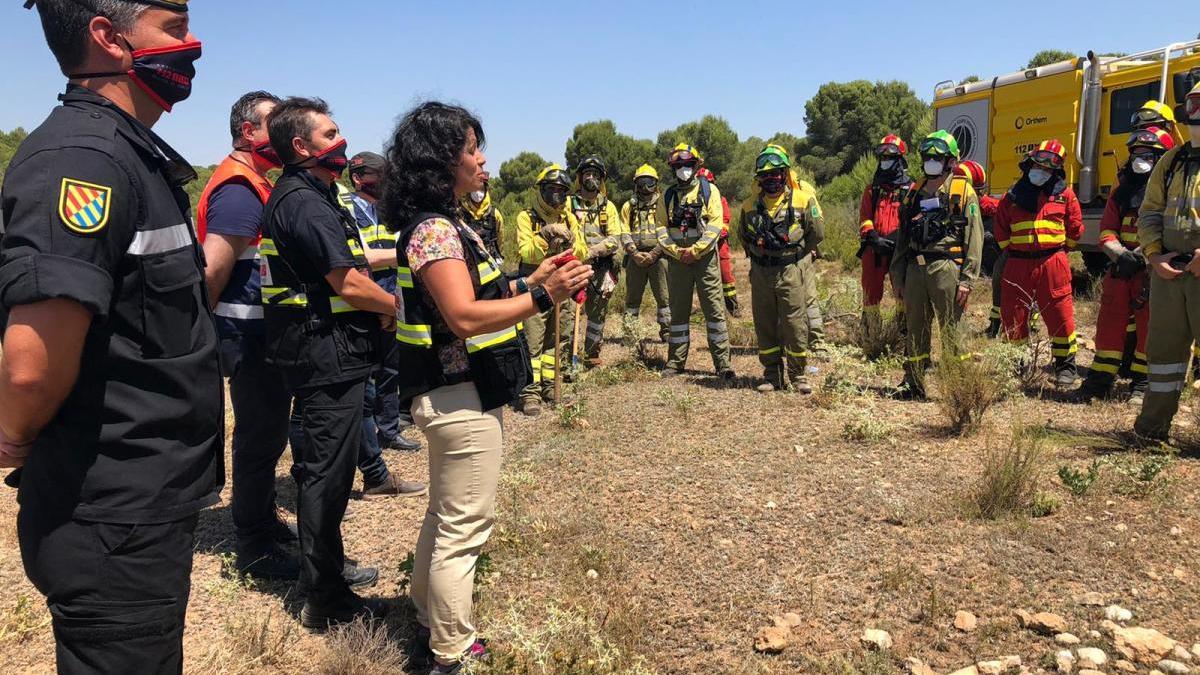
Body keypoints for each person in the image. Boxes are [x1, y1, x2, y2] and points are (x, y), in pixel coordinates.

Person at [2, 1, 220, 671]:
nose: (194, 45)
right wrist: (14, 436)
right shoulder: (84, 160)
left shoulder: (127, 154)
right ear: (109, 37)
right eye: (175, 28)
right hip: (110, 520)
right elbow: (30, 365)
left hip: (134, 512)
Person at [383, 101, 591, 674]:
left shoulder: (445, 227)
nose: (483, 160)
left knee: (444, 515)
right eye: (472, 149)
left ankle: (428, 617)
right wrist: (545, 298)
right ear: (441, 160)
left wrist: (532, 279)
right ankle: (451, 653)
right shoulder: (435, 232)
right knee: (465, 526)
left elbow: (481, 290)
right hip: (458, 396)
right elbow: (464, 316)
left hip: (457, 394)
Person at [260, 97, 418, 629]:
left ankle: (326, 572)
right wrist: (403, 308)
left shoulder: (315, 195)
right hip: (325, 355)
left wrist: (406, 251)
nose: (341, 140)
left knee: (326, 469)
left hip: (332, 352)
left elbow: (352, 257)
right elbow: (346, 281)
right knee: (327, 477)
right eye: (329, 134)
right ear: (301, 147)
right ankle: (325, 600)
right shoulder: (302, 203)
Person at [197, 90, 303, 580]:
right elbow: (211, 275)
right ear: (248, 132)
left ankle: (261, 519)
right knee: (260, 438)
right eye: (272, 124)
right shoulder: (239, 189)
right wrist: (205, 340)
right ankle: (253, 544)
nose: (281, 134)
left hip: (261, 337)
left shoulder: (257, 184)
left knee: (269, 434)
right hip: (248, 340)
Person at [1070, 128, 1173, 403]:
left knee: (1149, 329)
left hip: (1153, 271)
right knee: (1108, 326)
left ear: (1161, 158)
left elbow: (1169, 230)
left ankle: (1142, 384)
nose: (1140, 160)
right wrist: (1119, 254)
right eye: (1136, 154)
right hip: (1121, 270)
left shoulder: (1170, 191)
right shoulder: (1121, 190)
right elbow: (1107, 229)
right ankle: (1099, 381)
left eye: (1148, 155)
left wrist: (1142, 254)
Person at [889, 130, 984, 399]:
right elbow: (902, 237)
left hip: (947, 267)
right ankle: (913, 382)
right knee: (915, 327)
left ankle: (959, 386)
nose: (931, 161)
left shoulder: (962, 191)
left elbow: (974, 238)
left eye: (937, 157)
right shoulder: (913, 192)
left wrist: (967, 279)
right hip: (915, 268)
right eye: (928, 156)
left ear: (950, 161)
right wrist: (897, 275)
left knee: (952, 327)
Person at [346, 151, 424, 470]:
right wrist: (402, 253)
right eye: (381, 176)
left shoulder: (387, 211)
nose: (387, 183)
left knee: (391, 369)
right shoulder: (345, 209)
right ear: (359, 178)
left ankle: (389, 431)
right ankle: (362, 446)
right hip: (362, 302)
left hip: (393, 298)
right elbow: (360, 257)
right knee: (365, 378)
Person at [1132, 82, 1200, 441]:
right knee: (1163, 355)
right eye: (1193, 106)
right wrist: (1155, 256)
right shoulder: (1171, 161)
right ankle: (1151, 430)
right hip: (1170, 275)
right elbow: (1150, 212)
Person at [993, 139, 1084, 387]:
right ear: (1029, 163)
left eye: (1048, 167)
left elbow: (1075, 229)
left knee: (1060, 313)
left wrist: (1060, 252)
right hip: (1018, 263)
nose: (1041, 170)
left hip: (1052, 262)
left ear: (1056, 171)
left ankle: (1065, 365)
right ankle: (1017, 362)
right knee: (1013, 313)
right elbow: (1000, 230)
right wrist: (1013, 252)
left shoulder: (1065, 195)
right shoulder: (1013, 195)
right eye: (1038, 164)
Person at [739, 145, 824, 393]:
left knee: (795, 322)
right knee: (764, 322)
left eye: (776, 173)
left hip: (791, 270)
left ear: (785, 173)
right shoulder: (749, 206)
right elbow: (743, 236)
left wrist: (796, 257)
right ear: (759, 178)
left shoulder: (803, 199)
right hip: (762, 272)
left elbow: (816, 234)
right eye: (765, 175)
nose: (771, 179)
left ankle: (798, 376)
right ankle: (772, 376)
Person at [657, 143, 734, 381]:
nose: (683, 170)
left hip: (705, 260)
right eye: (678, 166)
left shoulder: (709, 190)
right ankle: (675, 362)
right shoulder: (667, 196)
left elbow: (716, 225)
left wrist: (696, 250)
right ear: (673, 168)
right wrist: (677, 251)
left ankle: (723, 364)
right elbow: (660, 228)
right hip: (677, 261)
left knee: (714, 310)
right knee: (678, 312)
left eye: (688, 165)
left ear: (696, 165)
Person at [515, 165, 587, 415]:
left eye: (561, 191)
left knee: (559, 338)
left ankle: (551, 385)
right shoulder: (527, 217)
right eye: (552, 189)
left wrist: (570, 246)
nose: (557, 195)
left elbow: (583, 250)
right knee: (533, 340)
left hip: (564, 283)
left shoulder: (569, 217)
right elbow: (526, 252)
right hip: (537, 284)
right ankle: (530, 393)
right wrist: (544, 236)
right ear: (541, 190)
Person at [571, 155, 626, 366]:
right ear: (580, 177)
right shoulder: (569, 203)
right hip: (574, 266)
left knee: (597, 312)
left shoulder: (608, 207)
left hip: (600, 268)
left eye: (595, 174)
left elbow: (614, 239)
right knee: (569, 315)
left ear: (601, 179)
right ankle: (568, 357)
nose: (591, 177)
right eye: (587, 174)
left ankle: (592, 354)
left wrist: (593, 251)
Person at [858, 134, 913, 338]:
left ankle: (902, 331)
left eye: (889, 157)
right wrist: (872, 236)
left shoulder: (910, 190)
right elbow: (865, 216)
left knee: (902, 290)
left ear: (899, 160)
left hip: (900, 250)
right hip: (874, 249)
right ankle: (871, 333)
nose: (885, 162)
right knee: (870, 292)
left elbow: (913, 219)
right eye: (882, 158)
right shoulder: (872, 190)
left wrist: (898, 239)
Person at [620, 164, 671, 341]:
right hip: (636, 258)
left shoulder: (664, 204)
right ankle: (630, 333)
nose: (645, 187)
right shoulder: (629, 206)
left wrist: (655, 253)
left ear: (656, 183)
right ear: (636, 184)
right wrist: (634, 253)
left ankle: (667, 331)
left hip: (659, 257)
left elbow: (669, 231)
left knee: (664, 297)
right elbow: (624, 231)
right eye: (641, 183)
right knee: (632, 298)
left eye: (650, 182)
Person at [698, 167, 740, 316]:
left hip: (720, 244)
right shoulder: (695, 201)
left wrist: (712, 235)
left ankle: (732, 306)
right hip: (701, 246)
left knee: (726, 275)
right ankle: (710, 309)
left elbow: (725, 223)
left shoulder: (721, 200)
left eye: (708, 183)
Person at [460, 174, 505, 265]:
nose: (477, 193)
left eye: (480, 189)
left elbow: (500, 239)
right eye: (474, 189)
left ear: (486, 190)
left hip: (492, 261)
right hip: (470, 263)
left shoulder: (494, 214)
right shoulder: (461, 213)